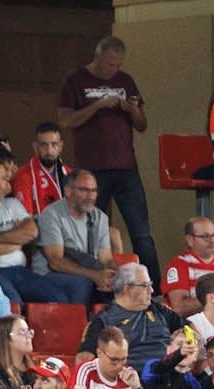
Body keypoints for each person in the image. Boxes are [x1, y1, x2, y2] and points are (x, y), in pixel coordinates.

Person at [57, 36, 158, 285]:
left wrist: (133, 110)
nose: (113, 70)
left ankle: (153, 285)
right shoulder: (76, 80)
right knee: (93, 230)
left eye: (118, 65)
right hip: (92, 169)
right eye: (109, 64)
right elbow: (66, 120)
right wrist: (98, 106)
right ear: (97, 57)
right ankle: (95, 282)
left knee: (141, 232)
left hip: (126, 167)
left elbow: (142, 125)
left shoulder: (126, 81)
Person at [33, 169, 114, 307]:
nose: (91, 196)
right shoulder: (52, 215)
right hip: (48, 274)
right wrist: (94, 275)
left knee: (122, 282)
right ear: (68, 191)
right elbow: (56, 262)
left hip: (86, 270)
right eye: (84, 190)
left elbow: (106, 259)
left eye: (94, 191)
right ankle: (78, 321)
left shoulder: (100, 217)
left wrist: (113, 276)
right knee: (82, 282)